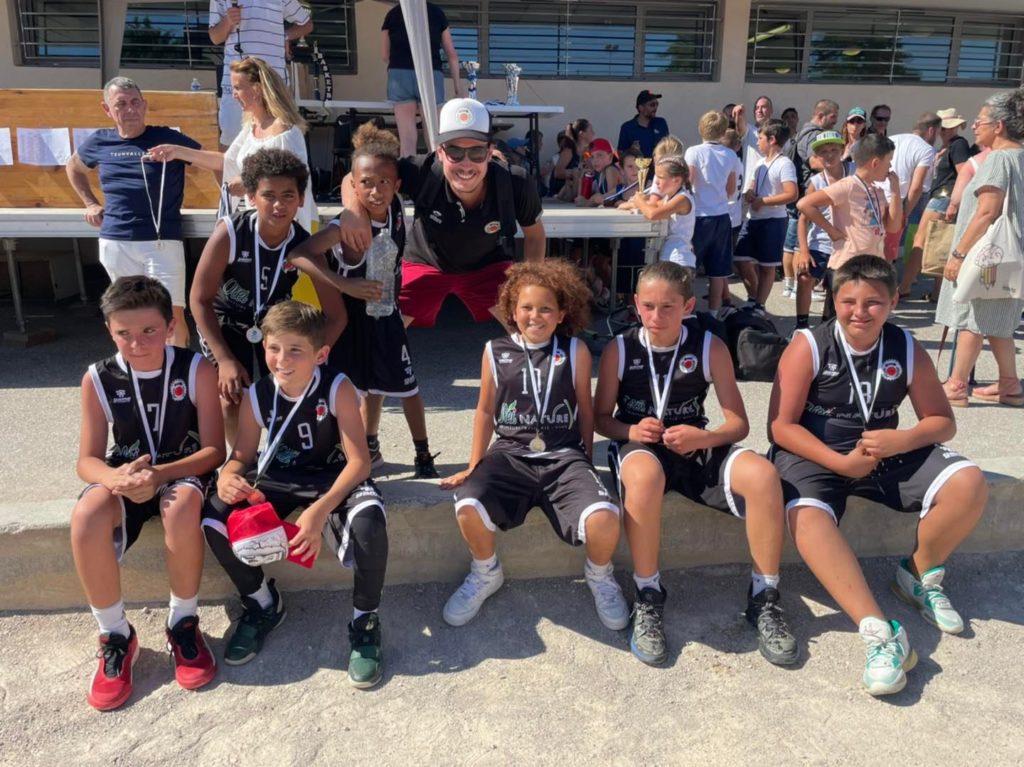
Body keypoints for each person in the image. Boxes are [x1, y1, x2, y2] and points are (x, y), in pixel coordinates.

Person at [769, 255, 987, 695]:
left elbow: (942, 422)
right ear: (834, 299)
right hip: (816, 454)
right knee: (806, 515)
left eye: (873, 302)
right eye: (848, 301)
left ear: (893, 302)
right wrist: (840, 463)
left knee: (969, 481)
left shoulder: (904, 346)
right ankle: (879, 631)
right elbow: (781, 427)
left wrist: (901, 440)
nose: (859, 312)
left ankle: (918, 576)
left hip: (885, 451)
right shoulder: (809, 345)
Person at [594, 261, 797, 667]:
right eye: (647, 306)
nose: (656, 316)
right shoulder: (621, 348)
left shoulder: (709, 346)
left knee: (762, 475)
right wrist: (631, 430)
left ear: (688, 306)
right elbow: (601, 419)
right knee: (645, 476)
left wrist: (703, 437)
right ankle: (648, 594)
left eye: (668, 307)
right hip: (640, 448)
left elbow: (738, 424)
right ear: (635, 304)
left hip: (695, 443)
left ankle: (765, 596)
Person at [202, 301, 390, 688]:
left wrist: (319, 513)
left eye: (295, 350)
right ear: (264, 347)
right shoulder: (258, 394)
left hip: (334, 477)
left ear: (320, 354)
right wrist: (227, 476)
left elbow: (360, 463)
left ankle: (365, 621)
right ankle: (262, 602)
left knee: (369, 525)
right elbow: (242, 455)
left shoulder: (337, 387)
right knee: (214, 514)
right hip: (280, 476)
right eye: (274, 348)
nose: (282, 360)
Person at [438, 260, 627, 631]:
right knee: (468, 504)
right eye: (526, 307)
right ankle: (486, 572)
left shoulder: (575, 350)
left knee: (605, 516)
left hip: (564, 457)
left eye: (545, 309)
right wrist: (474, 465)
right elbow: (484, 411)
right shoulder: (495, 350)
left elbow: (586, 411)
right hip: (510, 456)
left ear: (561, 314)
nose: (535, 316)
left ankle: (600, 575)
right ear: (511, 311)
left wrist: (586, 461)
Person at [71, 276, 225, 710]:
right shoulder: (97, 378)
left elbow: (214, 451)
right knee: (87, 514)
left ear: (171, 326)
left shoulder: (196, 368)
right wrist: (116, 480)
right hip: (127, 474)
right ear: (109, 330)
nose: (136, 343)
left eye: (149, 331)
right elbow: (87, 461)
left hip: (179, 470)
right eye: (124, 333)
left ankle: (183, 623)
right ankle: (116, 635)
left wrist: (158, 475)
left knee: (183, 505)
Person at [287, 122, 438, 478]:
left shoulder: (396, 206)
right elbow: (299, 254)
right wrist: (343, 283)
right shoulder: (347, 225)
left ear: (397, 186)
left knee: (404, 387)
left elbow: (363, 174)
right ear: (355, 186)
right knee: (347, 390)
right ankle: (341, 450)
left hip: (386, 314)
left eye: (384, 182)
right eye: (366, 184)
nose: (375, 190)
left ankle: (421, 454)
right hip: (352, 320)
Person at [338, 98, 545, 329]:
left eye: (476, 152)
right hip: (425, 264)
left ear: (489, 152)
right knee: (382, 331)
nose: (466, 164)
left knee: (529, 327)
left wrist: (530, 287)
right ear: (439, 152)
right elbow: (353, 177)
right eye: (454, 151)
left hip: (488, 267)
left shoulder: (515, 182)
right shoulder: (421, 171)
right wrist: (353, 211)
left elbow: (535, 236)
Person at [190, 148, 344, 443]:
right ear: (251, 197)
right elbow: (199, 299)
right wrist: (224, 359)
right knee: (232, 395)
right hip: (226, 321)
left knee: (286, 391)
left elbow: (337, 316)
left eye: (288, 195)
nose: (278, 204)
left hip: (273, 326)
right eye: (268, 195)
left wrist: (313, 356)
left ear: (301, 200)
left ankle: (283, 457)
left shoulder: (304, 244)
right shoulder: (230, 232)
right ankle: (241, 461)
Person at [66, 77, 201, 348]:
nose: (130, 109)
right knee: (129, 315)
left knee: (171, 315)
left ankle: (177, 371)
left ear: (145, 105)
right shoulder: (100, 141)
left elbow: (213, 160)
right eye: (121, 104)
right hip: (116, 241)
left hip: (162, 241)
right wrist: (90, 203)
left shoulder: (167, 138)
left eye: (135, 102)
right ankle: (141, 368)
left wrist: (227, 198)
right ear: (107, 109)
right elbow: (74, 167)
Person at [148, 57, 317, 232]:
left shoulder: (284, 130)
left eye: (237, 88)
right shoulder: (251, 128)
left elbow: (292, 181)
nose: (234, 95)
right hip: (260, 225)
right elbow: (226, 161)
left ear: (257, 89)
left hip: (286, 227)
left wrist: (249, 183)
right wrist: (176, 152)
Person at [935, 89, 1024, 408]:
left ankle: (956, 384)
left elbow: (986, 211)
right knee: (997, 318)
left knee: (972, 315)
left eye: (980, 120)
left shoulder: (998, 159)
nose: (974, 126)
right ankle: (1010, 385)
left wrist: (958, 254)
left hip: (986, 254)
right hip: (1011, 254)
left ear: (999, 126)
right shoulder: (1020, 157)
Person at [796, 133, 902, 317]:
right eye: (888, 161)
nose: (890, 167)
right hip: (847, 266)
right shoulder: (848, 186)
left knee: (862, 319)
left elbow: (893, 227)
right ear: (875, 163)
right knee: (837, 321)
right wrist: (831, 230)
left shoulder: (877, 191)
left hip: (872, 265)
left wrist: (895, 192)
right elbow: (804, 204)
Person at [208, 0, 312, 147]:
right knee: (231, 145)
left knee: (279, 145)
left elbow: (306, 24)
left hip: (273, 85)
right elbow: (215, 37)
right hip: (237, 86)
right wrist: (227, 21)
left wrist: (284, 36)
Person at [898, 109, 971, 298]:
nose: (944, 131)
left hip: (944, 196)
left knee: (921, 240)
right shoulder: (949, 146)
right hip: (943, 196)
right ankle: (937, 292)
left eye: (948, 127)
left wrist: (955, 201)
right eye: (943, 128)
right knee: (940, 243)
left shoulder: (958, 144)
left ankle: (905, 286)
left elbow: (964, 173)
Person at [381, 0, 464, 157]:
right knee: (434, 139)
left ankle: (409, 171)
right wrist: (458, 89)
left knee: (407, 140)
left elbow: (385, 55)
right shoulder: (437, 13)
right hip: (430, 74)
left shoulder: (392, 14)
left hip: (400, 75)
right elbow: (452, 54)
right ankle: (435, 171)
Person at [734, 119, 798, 312]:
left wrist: (764, 201)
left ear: (772, 140)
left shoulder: (784, 164)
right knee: (740, 258)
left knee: (766, 266)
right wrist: (750, 193)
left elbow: (791, 193)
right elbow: (752, 186)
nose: (757, 142)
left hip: (773, 220)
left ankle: (759, 305)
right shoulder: (760, 163)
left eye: (760, 138)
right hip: (753, 219)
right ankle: (753, 297)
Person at [795, 131, 852, 329]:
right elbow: (803, 219)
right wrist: (803, 251)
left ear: (842, 150)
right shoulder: (816, 182)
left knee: (837, 286)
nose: (829, 155)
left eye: (833, 150)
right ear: (817, 156)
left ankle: (827, 325)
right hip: (821, 242)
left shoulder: (854, 172)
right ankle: (801, 325)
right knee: (804, 277)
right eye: (823, 152)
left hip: (848, 243)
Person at [684, 111, 737, 314]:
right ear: (723, 131)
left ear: (701, 129)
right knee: (717, 271)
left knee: (690, 266)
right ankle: (713, 314)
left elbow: (689, 182)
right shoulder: (730, 154)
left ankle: (687, 312)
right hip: (722, 216)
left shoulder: (693, 152)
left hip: (698, 216)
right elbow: (731, 189)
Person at [885, 113, 940, 263]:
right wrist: (904, 214)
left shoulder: (891, 139)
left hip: (878, 196)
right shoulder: (926, 149)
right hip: (900, 201)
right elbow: (916, 187)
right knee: (892, 253)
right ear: (931, 131)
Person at [624, 156, 695, 272]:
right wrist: (626, 204)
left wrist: (639, 201)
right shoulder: (669, 198)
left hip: (679, 259)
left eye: (660, 178)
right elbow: (653, 205)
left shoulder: (682, 199)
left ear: (676, 180)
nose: (656, 182)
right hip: (670, 257)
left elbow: (652, 214)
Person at [617, 90, 670, 157]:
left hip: (659, 163)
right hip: (638, 164)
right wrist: (631, 151)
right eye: (652, 105)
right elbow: (620, 153)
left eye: (657, 104)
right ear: (641, 108)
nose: (655, 108)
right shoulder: (627, 128)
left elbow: (669, 148)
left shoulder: (661, 123)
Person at [550, 118, 593, 199]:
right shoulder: (569, 150)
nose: (593, 133)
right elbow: (557, 173)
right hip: (561, 190)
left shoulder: (586, 151)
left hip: (575, 188)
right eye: (590, 130)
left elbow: (590, 168)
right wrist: (574, 172)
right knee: (577, 172)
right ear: (581, 134)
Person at [575, 138, 622, 207]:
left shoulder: (611, 170)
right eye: (592, 157)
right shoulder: (599, 173)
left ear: (610, 157)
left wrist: (588, 202)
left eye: (599, 155)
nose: (595, 160)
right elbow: (580, 199)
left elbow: (610, 200)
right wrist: (581, 178)